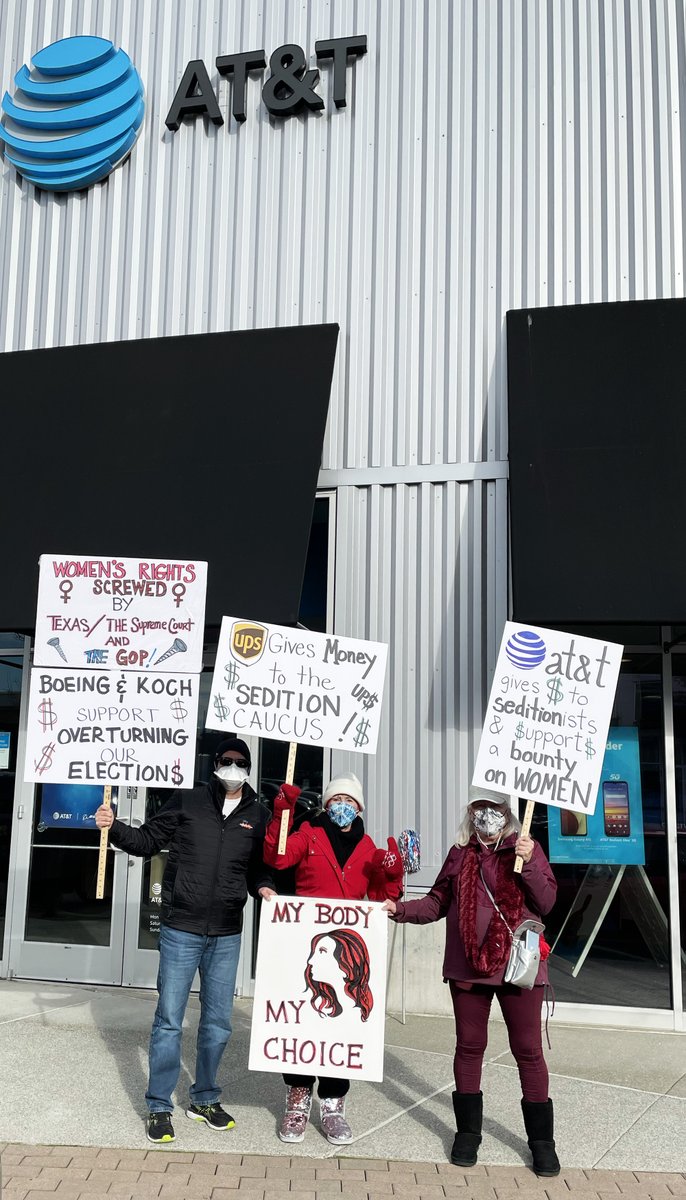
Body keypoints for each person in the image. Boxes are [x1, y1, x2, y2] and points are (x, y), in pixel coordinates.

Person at [95, 736, 275, 1144]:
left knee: (217, 1024)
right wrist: (114, 826)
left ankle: (205, 1098)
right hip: (181, 929)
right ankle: (159, 1105)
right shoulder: (188, 802)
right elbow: (146, 841)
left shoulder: (258, 815)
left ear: (248, 768)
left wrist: (264, 887)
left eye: (240, 762)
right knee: (169, 1021)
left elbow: (260, 869)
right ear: (214, 765)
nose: (233, 767)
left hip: (227, 933)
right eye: (226, 761)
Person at [382, 790, 560, 1178]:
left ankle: (542, 1142)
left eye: (494, 809)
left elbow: (546, 902)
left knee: (528, 1051)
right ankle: (468, 1134)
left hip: (518, 968)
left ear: (507, 813)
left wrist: (528, 863)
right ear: (470, 813)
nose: (486, 815)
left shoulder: (526, 849)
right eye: (479, 808)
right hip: (468, 969)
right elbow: (436, 902)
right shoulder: (459, 854)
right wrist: (400, 909)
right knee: (469, 1046)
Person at [263, 772, 403, 1145]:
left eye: (350, 803)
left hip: (344, 950)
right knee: (302, 1024)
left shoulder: (367, 845)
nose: (342, 808)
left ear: (359, 809)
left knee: (342, 1028)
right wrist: (283, 813)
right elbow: (277, 858)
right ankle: (297, 1100)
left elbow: (379, 893)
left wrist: (392, 874)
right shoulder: (308, 834)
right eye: (335, 801)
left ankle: (332, 1103)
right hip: (307, 944)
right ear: (326, 805)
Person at [304, 928, 373, 1022]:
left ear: (348, 964)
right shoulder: (324, 1005)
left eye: (322, 952)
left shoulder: (355, 1012)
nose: (310, 961)